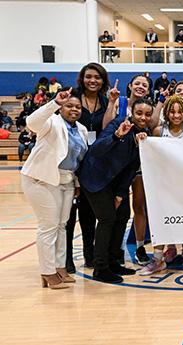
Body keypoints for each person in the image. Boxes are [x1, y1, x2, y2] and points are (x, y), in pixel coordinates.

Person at [79, 98, 154, 283]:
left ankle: (113, 261)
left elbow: (131, 168)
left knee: (122, 216)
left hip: (115, 183)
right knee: (107, 219)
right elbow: (96, 150)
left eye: (147, 114)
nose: (143, 117)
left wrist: (121, 194)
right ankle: (100, 267)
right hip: (95, 179)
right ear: (131, 113)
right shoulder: (117, 125)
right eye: (139, 113)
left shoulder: (143, 135)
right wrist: (117, 136)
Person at [21, 88, 88, 289]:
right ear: (61, 108)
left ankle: (60, 268)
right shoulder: (52, 122)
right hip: (41, 179)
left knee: (62, 226)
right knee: (48, 226)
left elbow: (78, 161)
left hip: (66, 182)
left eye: (77, 106)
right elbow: (31, 123)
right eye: (69, 106)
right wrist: (54, 103)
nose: (74, 109)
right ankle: (47, 271)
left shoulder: (82, 130)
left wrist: (76, 184)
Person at [138, 96, 183, 276]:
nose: (176, 115)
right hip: (164, 183)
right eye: (172, 111)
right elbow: (151, 152)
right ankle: (161, 255)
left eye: (180, 111)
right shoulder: (159, 131)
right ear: (166, 112)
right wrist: (144, 138)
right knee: (164, 218)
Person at [103, 75, 156, 266]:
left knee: (139, 207)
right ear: (130, 86)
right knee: (117, 211)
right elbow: (106, 127)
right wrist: (110, 102)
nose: (141, 86)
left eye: (145, 85)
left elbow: (154, 126)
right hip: (118, 166)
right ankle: (109, 249)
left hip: (139, 166)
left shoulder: (148, 110)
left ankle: (140, 246)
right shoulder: (120, 102)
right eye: (138, 83)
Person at [65, 62, 111, 273]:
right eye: (89, 76)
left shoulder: (105, 100)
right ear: (82, 78)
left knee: (89, 211)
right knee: (69, 214)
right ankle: (66, 258)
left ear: (103, 81)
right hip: (72, 161)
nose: (93, 80)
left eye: (97, 77)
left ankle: (89, 254)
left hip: (95, 164)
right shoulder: (71, 97)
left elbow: (106, 128)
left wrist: (111, 104)